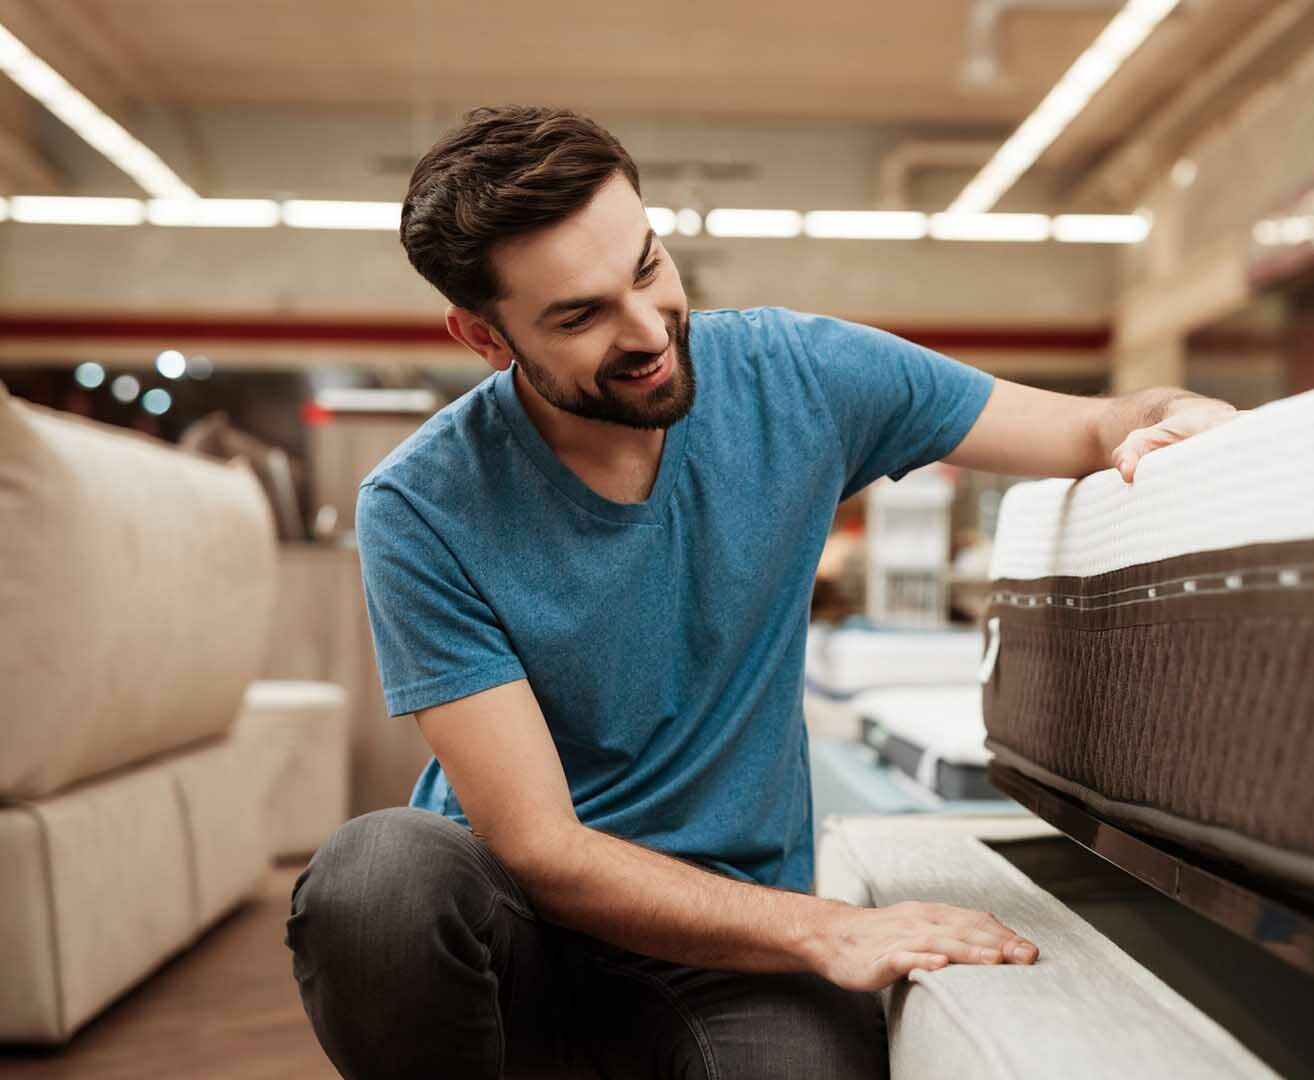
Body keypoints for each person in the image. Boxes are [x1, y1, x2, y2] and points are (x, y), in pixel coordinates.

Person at [286, 105, 1238, 1079]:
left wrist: (1179, 419)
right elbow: (539, 848)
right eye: (580, 315)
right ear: (485, 336)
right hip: (515, 937)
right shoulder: (422, 503)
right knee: (375, 880)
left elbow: (1094, 426)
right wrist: (824, 932)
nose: (649, 330)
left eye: (648, 267)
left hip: (732, 948)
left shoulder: (798, 376)